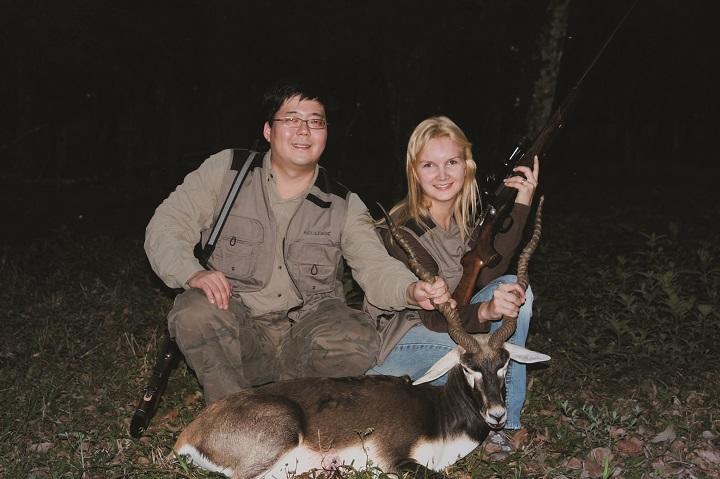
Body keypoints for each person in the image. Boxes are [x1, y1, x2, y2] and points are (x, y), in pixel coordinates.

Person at [144, 79, 450, 404]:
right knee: (195, 311)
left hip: (306, 334)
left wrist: (411, 290)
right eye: (291, 119)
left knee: (356, 338)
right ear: (268, 130)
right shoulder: (226, 172)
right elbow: (166, 227)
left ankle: (299, 408)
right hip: (239, 329)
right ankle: (231, 412)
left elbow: (375, 267)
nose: (304, 130)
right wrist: (192, 272)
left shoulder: (344, 203)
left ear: (326, 133)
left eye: (316, 122)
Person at [366, 116, 539, 441]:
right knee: (478, 352)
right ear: (414, 172)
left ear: (467, 167)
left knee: (516, 292)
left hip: (448, 334)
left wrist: (521, 205)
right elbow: (434, 318)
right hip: (402, 346)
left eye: (452, 163)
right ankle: (488, 424)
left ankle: (506, 422)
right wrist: (485, 311)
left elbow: (488, 273)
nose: (442, 175)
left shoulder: (464, 224)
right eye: (429, 165)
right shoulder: (402, 232)